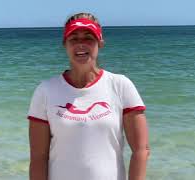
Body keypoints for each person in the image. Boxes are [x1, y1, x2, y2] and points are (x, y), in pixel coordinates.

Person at [27, 12, 150, 180]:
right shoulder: (46, 90)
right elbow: (38, 158)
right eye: (74, 38)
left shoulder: (120, 85)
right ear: (65, 44)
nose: (81, 44)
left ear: (100, 43)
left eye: (88, 38)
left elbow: (141, 150)